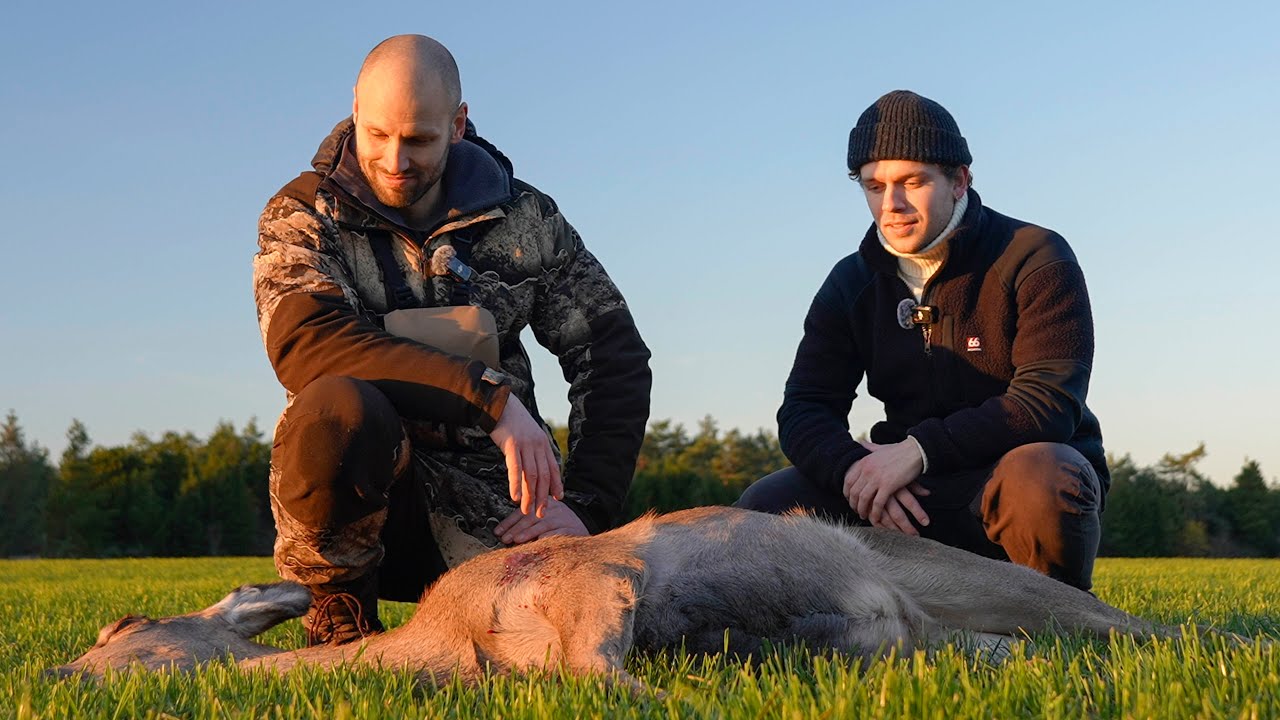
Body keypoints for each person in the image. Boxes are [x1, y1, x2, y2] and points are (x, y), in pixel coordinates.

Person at [252, 34, 651, 645]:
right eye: (378, 134)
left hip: (501, 514)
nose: (393, 160)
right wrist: (489, 397)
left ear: (459, 124)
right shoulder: (303, 213)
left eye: (418, 139)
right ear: (355, 110)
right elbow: (308, 344)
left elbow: (613, 356)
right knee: (335, 407)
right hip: (368, 504)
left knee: (576, 634)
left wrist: (589, 506)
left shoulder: (526, 219)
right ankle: (341, 614)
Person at [736, 90, 1108, 591]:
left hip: (1004, 482)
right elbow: (804, 409)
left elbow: (1047, 402)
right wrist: (856, 473)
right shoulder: (850, 282)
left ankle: (1055, 622)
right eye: (874, 186)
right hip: (905, 493)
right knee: (762, 510)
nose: (892, 204)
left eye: (912, 182)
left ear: (959, 180)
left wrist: (918, 450)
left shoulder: (1034, 255)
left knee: (1045, 475)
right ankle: (835, 622)